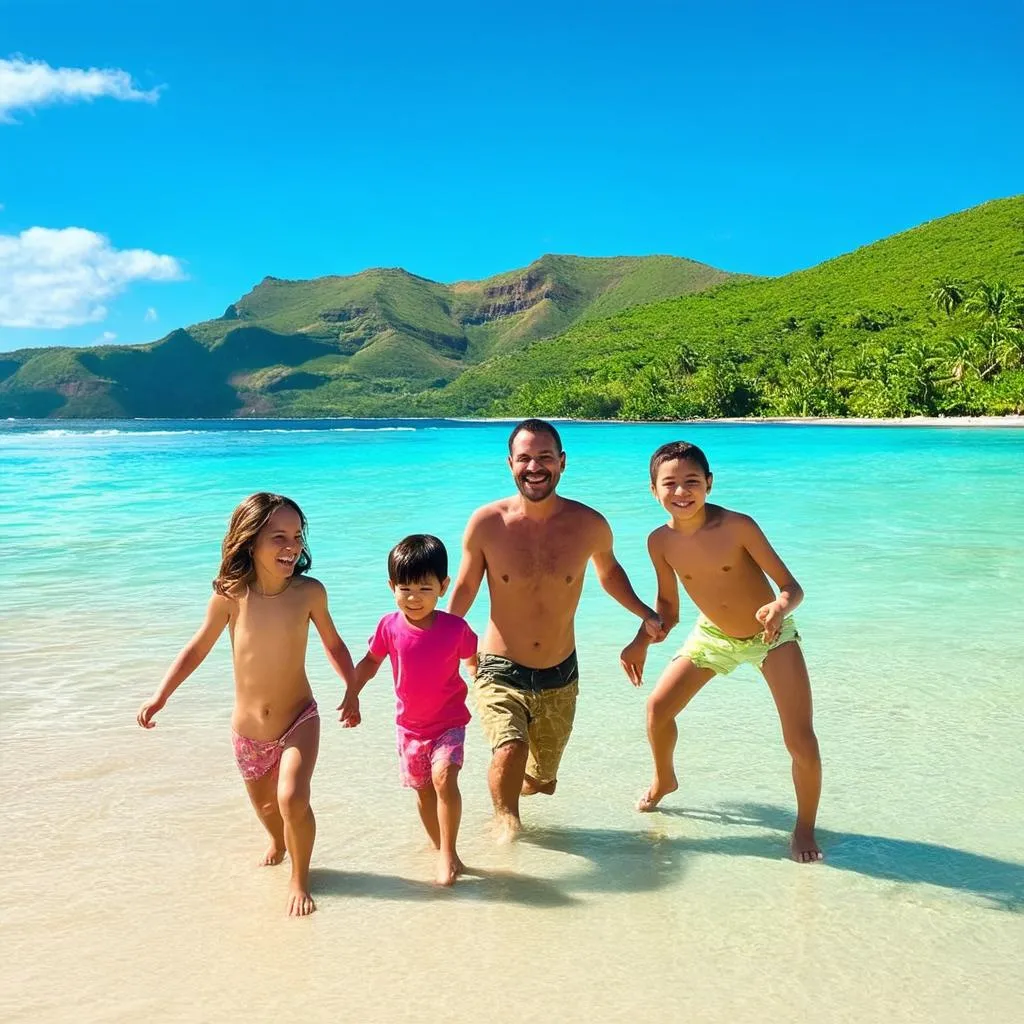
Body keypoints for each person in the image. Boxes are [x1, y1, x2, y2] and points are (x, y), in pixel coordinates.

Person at [137, 492, 357, 915]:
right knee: (267, 807)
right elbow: (196, 650)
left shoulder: (309, 593)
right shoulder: (230, 597)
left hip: (299, 718)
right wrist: (161, 694)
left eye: (296, 536)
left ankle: (300, 878)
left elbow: (334, 643)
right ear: (250, 541)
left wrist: (351, 687)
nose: (291, 546)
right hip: (249, 732)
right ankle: (277, 841)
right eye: (278, 537)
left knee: (292, 797)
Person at [448, 418, 664, 841]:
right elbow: (466, 585)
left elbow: (609, 574)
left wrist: (644, 614)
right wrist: (440, 643)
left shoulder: (589, 525)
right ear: (510, 463)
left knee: (543, 782)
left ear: (562, 463)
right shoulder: (486, 523)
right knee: (510, 747)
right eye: (525, 458)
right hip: (498, 665)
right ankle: (505, 824)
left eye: (545, 457)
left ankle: (512, 796)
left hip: (560, 673)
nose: (535, 466)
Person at [620, 441, 823, 862]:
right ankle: (664, 781)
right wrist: (640, 640)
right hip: (713, 635)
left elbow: (792, 587)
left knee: (800, 739)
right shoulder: (659, 542)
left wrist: (778, 607)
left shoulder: (738, 526)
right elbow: (669, 610)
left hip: (771, 636)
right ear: (653, 490)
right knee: (658, 710)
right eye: (669, 484)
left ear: (709, 483)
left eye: (691, 482)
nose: (681, 492)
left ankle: (804, 826)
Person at [340, 535, 477, 885]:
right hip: (410, 728)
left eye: (424, 588)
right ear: (391, 587)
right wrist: (352, 692)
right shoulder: (389, 626)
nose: (414, 598)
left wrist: (480, 681)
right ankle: (439, 847)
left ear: (443, 587)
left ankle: (449, 852)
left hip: (449, 723)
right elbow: (371, 662)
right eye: (405, 589)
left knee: (444, 778)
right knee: (423, 790)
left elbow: (473, 659)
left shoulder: (455, 629)